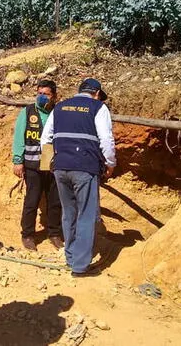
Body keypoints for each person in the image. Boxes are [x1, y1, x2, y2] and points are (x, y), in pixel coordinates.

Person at [40, 78, 116, 277]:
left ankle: (71, 256)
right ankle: (80, 266)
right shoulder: (98, 107)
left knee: (69, 213)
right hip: (85, 167)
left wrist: (51, 163)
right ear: (97, 93)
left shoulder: (60, 107)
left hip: (61, 167)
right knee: (86, 215)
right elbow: (106, 140)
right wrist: (110, 163)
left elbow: (45, 139)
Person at [11, 80, 63, 251]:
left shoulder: (59, 112)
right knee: (31, 201)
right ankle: (27, 235)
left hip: (53, 164)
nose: (41, 97)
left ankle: (54, 233)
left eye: (46, 94)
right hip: (32, 164)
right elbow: (19, 137)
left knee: (55, 201)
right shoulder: (27, 112)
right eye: (39, 93)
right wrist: (18, 161)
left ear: (54, 96)